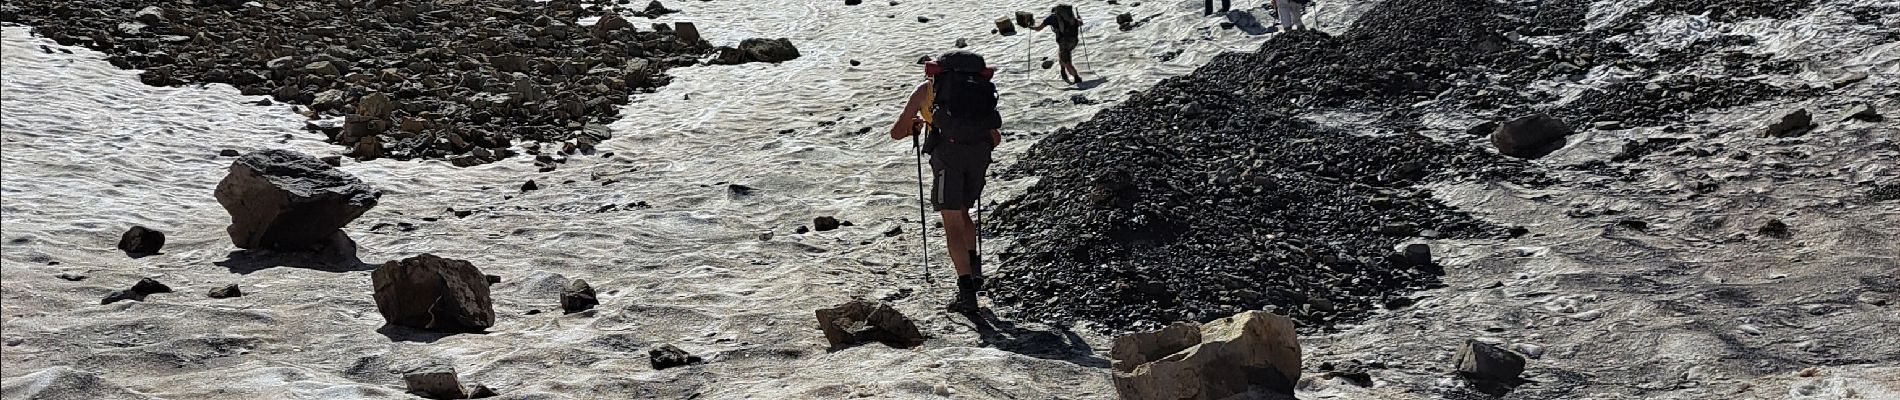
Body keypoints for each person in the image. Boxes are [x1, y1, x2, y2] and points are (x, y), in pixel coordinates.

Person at [889, 51, 1003, 314]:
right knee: (964, 211)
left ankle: (967, 295)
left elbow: (896, 133)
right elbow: (995, 138)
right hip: (979, 155)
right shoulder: (980, 90)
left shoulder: (927, 90)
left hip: (948, 156)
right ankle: (974, 273)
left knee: (951, 222)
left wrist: (916, 126)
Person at [1031, 4, 1085, 83]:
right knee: (1062, 54)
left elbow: (1038, 28)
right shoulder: (1070, 17)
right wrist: (1079, 18)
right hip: (1074, 41)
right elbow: (1080, 23)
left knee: (1067, 62)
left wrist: (1030, 26)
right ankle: (1063, 71)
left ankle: (1076, 78)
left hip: (1064, 42)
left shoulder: (1052, 18)